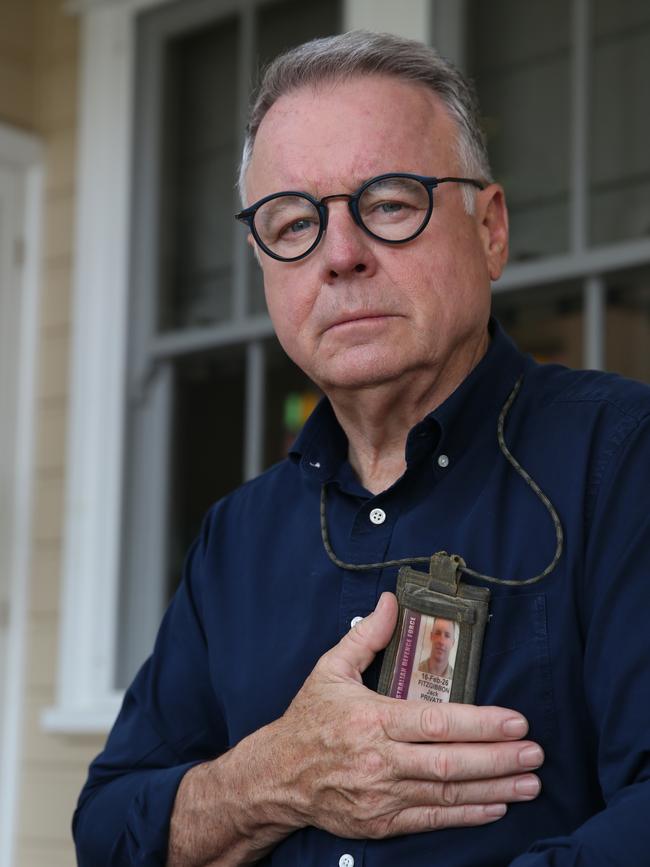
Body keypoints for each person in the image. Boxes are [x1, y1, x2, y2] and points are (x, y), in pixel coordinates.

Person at [74, 30, 650, 867]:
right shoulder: (238, 537)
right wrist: (272, 776)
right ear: (263, 264)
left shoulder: (620, 460)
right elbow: (107, 829)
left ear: (489, 229)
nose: (340, 256)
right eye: (294, 222)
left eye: (388, 202)